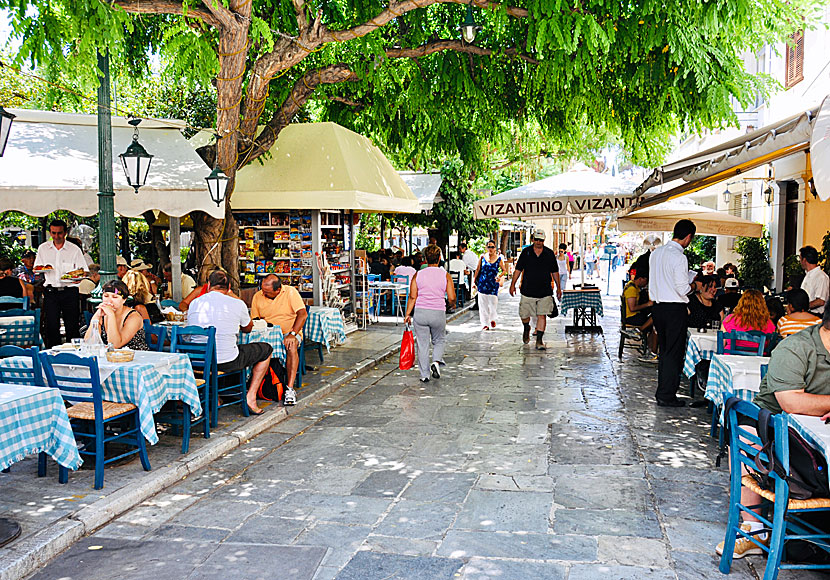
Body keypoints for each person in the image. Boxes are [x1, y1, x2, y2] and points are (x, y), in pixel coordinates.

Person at [717, 304, 830, 559]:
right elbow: (792, 403)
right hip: (778, 435)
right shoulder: (795, 348)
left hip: (817, 433)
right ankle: (755, 530)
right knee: (747, 430)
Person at [187, 270, 272, 415]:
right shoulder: (237, 303)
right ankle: (250, 396)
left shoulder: (195, 303)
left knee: (217, 349)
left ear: (208, 285)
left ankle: (217, 397)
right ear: (229, 286)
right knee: (266, 349)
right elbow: (248, 329)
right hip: (227, 361)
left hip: (197, 360)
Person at [649, 219, 697, 407]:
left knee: (664, 350)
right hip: (674, 309)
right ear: (688, 237)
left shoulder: (656, 253)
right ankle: (667, 395)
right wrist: (694, 285)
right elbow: (682, 288)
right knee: (673, 353)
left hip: (658, 307)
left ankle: (663, 391)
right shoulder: (679, 257)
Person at [403, 244, 456, 383]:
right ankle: (436, 362)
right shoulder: (445, 275)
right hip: (438, 312)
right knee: (439, 340)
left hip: (420, 313)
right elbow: (451, 297)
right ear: (439, 259)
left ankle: (424, 374)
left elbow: (413, 296)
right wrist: (452, 304)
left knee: (422, 344)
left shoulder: (418, 274)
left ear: (425, 259)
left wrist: (408, 314)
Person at [250, 274, 308, 398]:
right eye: (262, 290)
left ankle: (289, 389)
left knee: (291, 347)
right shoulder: (257, 296)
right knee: (251, 348)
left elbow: (302, 314)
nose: (263, 294)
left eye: (267, 292)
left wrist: (293, 334)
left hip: (289, 332)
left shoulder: (290, 292)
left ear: (278, 290)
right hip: (267, 333)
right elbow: (255, 319)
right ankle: (255, 386)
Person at [35, 219, 87, 347]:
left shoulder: (74, 249)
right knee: (51, 325)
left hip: (70, 291)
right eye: (53, 233)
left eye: (59, 233)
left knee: (72, 325)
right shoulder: (43, 248)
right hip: (51, 291)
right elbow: (37, 268)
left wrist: (78, 277)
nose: (56, 236)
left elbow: (83, 271)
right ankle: (52, 354)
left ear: (65, 233)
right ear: (50, 233)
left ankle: (74, 355)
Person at [509, 229, 562, 351]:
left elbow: (555, 271)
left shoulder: (549, 254)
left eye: (541, 240)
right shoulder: (526, 252)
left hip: (544, 291)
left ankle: (539, 340)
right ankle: (526, 327)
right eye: (537, 240)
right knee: (524, 314)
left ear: (544, 240)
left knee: (541, 315)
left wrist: (559, 288)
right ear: (533, 239)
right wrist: (513, 284)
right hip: (528, 290)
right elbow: (518, 269)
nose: (538, 242)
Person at [83, 279, 148, 350]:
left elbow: (115, 345)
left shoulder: (134, 317)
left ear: (124, 300)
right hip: (109, 357)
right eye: (106, 296)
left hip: (135, 356)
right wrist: (97, 316)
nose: (109, 301)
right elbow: (88, 342)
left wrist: (111, 315)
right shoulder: (103, 314)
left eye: (115, 297)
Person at [473, 240, 508, 331]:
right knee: (482, 304)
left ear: (495, 248)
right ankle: (485, 324)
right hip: (483, 283)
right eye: (489, 247)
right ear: (486, 248)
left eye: (492, 247)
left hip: (493, 284)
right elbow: (477, 270)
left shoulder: (499, 258)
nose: (491, 249)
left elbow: (504, 270)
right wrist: (474, 282)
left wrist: (499, 276)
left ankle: (492, 318)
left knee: (493, 303)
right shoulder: (482, 257)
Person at [622, 267, 657, 356]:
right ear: (641, 279)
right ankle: (641, 332)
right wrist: (648, 304)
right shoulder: (631, 289)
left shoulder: (633, 286)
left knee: (655, 320)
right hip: (631, 317)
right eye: (646, 281)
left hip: (635, 315)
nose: (646, 283)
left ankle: (648, 347)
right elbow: (632, 308)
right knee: (656, 317)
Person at [799, 245, 829, 316]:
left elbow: (821, 301)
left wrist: (802, 308)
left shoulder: (821, 277)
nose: (800, 262)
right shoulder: (808, 275)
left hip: (816, 315)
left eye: (800, 259)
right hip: (806, 313)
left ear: (804, 260)